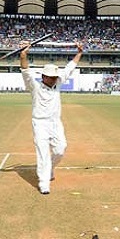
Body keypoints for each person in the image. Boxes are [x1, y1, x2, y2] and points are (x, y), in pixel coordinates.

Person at [19, 41, 83, 194]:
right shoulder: (34, 86)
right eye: (51, 77)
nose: (54, 79)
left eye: (55, 77)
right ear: (43, 76)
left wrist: (79, 53)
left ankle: (50, 169)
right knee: (43, 153)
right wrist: (23, 55)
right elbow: (25, 71)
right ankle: (44, 182)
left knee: (60, 150)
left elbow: (69, 68)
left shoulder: (58, 82)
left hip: (55, 123)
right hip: (40, 123)